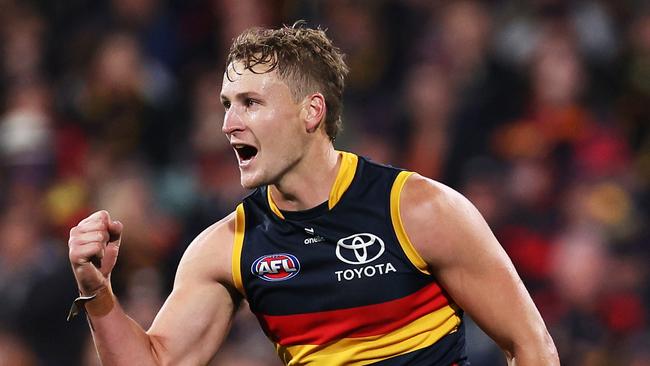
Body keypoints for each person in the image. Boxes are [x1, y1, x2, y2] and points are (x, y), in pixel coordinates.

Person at [67, 23, 559, 365]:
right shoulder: (227, 247)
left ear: (311, 112)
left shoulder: (419, 210)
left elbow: (531, 345)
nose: (227, 123)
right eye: (226, 105)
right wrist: (97, 292)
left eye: (250, 103)